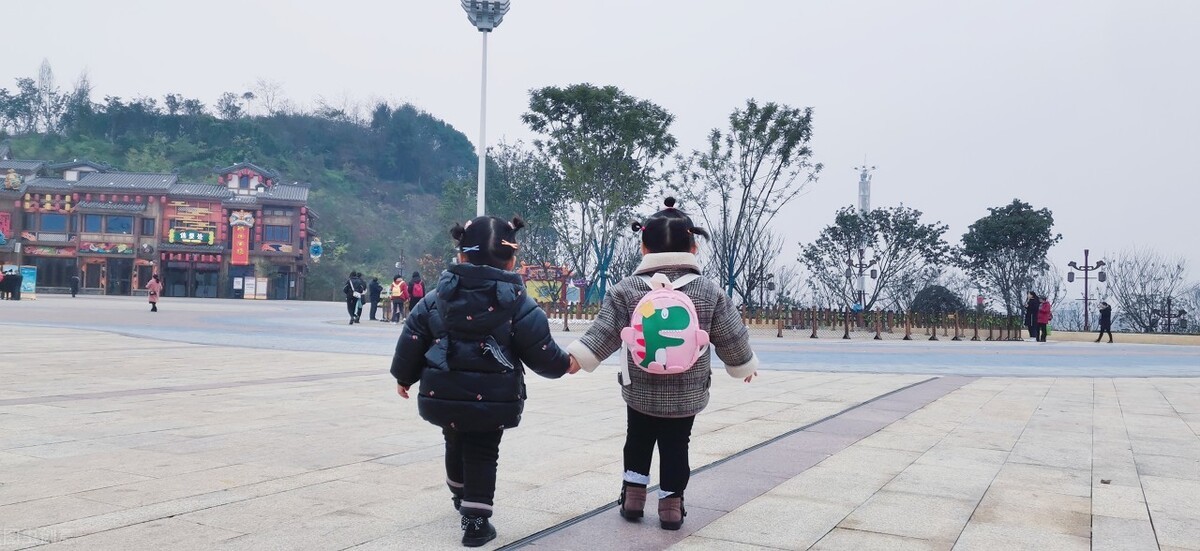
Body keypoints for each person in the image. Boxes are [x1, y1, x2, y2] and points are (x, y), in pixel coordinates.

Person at [565, 197, 758, 531]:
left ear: (644, 247)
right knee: (677, 444)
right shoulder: (708, 291)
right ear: (694, 247)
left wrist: (578, 359)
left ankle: (633, 498)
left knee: (637, 439)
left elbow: (604, 333)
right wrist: (743, 364)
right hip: (687, 392)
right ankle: (670, 506)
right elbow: (731, 335)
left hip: (639, 388)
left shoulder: (626, 289)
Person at [391, 215, 570, 547]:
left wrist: (404, 376)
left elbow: (413, 337)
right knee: (483, 451)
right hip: (492, 399)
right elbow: (542, 352)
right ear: (512, 260)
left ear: (461, 255)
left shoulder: (435, 299)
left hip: (443, 391)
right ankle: (475, 523)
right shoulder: (519, 304)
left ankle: (460, 495)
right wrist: (565, 364)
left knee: (453, 439)